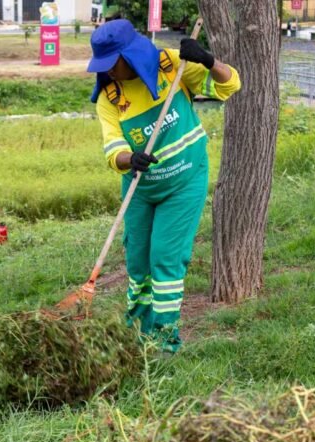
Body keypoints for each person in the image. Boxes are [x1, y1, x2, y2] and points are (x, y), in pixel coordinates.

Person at [87, 19, 241, 353]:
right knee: (139, 263)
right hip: (140, 187)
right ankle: (137, 331)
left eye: (112, 63)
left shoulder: (173, 66)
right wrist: (131, 159)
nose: (108, 72)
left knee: (165, 259)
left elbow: (229, 87)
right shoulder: (109, 97)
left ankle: (164, 339)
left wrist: (208, 60)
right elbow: (112, 149)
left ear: (130, 55)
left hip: (183, 182)